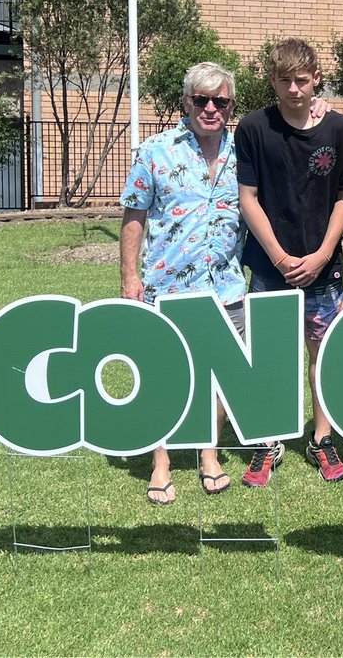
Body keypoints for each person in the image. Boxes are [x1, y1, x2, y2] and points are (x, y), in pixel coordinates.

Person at [120, 61, 245, 504]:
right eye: (201, 100)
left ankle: (209, 454)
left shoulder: (245, 153)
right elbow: (134, 216)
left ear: (231, 106)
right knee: (164, 375)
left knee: (218, 378)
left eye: (220, 101)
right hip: (167, 286)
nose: (211, 109)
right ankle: (162, 462)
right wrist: (130, 277)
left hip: (226, 286)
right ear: (186, 102)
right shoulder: (155, 151)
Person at [234, 38, 343, 485]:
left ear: (316, 79)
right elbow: (248, 199)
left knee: (322, 355)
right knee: (268, 357)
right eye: (284, 80)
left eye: (301, 80)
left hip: (325, 269)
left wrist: (322, 255)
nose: (293, 89)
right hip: (271, 269)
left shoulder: (339, 129)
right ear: (272, 79)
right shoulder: (252, 128)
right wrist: (280, 257)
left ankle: (321, 439)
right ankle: (268, 440)